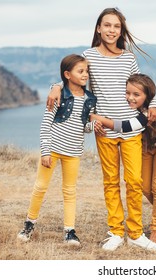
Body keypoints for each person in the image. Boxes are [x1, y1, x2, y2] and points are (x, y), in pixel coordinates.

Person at [46, 8, 156, 251]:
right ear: (98, 28)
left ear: (121, 30)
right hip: (104, 131)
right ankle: (116, 232)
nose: (111, 30)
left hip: (131, 130)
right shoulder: (89, 55)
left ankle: (136, 233)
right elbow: (74, 77)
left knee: (134, 181)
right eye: (107, 25)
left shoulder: (129, 58)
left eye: (116, 26)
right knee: (110, 181)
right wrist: (55, 86)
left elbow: (142, 88)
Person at [17, 54, 97, 246]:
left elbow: (83, 126)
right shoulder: (59, 95)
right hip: (52, 150)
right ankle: (29, 224)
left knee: (70, 191)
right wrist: (45, 151)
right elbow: (46, 124)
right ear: (67, 74)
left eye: (86, 71)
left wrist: (94, 126)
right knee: (40, 187)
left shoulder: (89, 99)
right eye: (80, 71)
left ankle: (70, 231)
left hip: (73, 152)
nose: (85, 74)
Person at [92, 73, 156, 248]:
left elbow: (124, 127)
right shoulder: (129, 105)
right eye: (128, 93)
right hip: (146, 147)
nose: (130, 98)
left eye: (136, 95)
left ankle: (155, 230)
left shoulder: (148, 112)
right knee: (144, 187)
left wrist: (97, 118)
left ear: (147, 97)